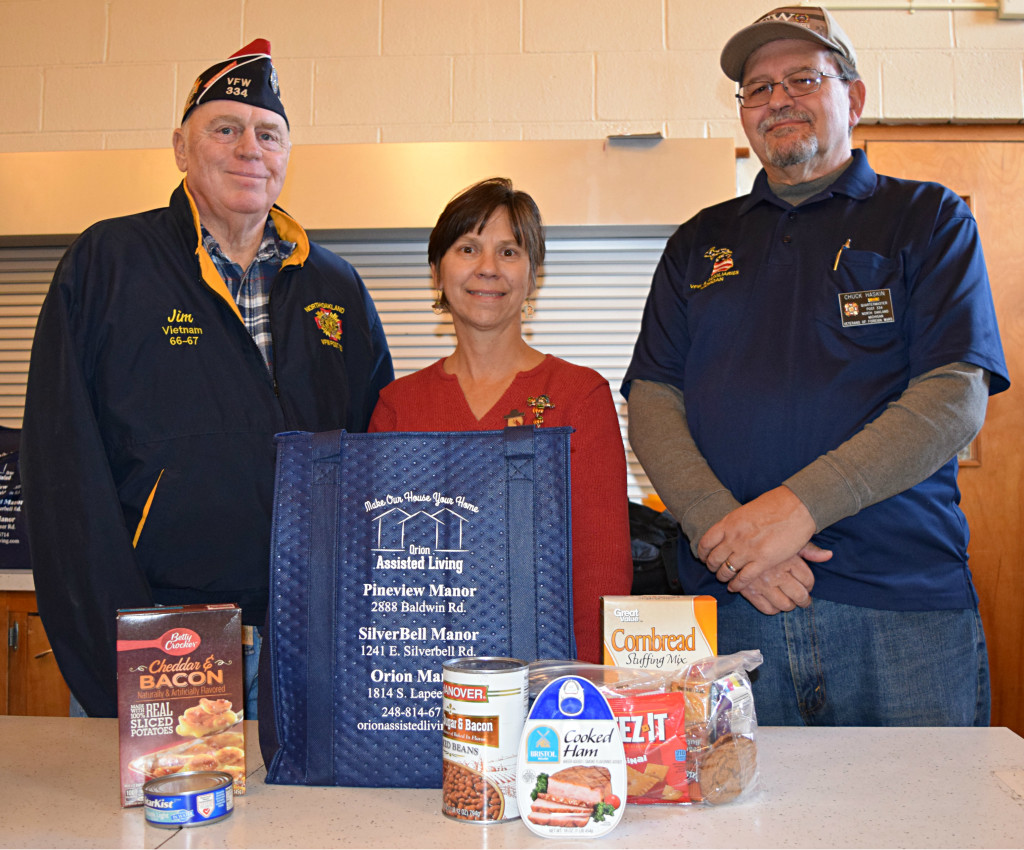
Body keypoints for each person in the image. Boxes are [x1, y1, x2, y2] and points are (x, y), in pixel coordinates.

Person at [622, 7, 1009, 726]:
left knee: (926, 831)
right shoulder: (698, 243)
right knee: (749, 833)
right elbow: (651, 398)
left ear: (853, 98)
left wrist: (791, 511)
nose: (778, 99)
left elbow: (954, 396)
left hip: (902, 610)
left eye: (802, 77)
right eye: (758, 88)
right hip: (739, 610)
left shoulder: (927, 219)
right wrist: (733, 540)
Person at [20, 39, 394, 718]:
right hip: (161, 634)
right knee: (158, 826)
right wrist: (108, 633)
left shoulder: (336, 285)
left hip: (304, 639)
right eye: (225, 129)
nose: (250, 148)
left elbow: (375, 458)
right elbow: (61, 461)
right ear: (180, 148)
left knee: (300, 827)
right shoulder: (108, 265)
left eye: (268, 133)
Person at [368, 177, 633, 663]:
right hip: (426, 679)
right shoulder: (398, 406)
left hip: (549, 674)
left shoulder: (578, 396)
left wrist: (583, 684)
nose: (487, 268)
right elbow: (384, 574)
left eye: (509, 252)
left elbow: (602, 570)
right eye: (468, 248)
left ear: (534, 275)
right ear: (436, 271)